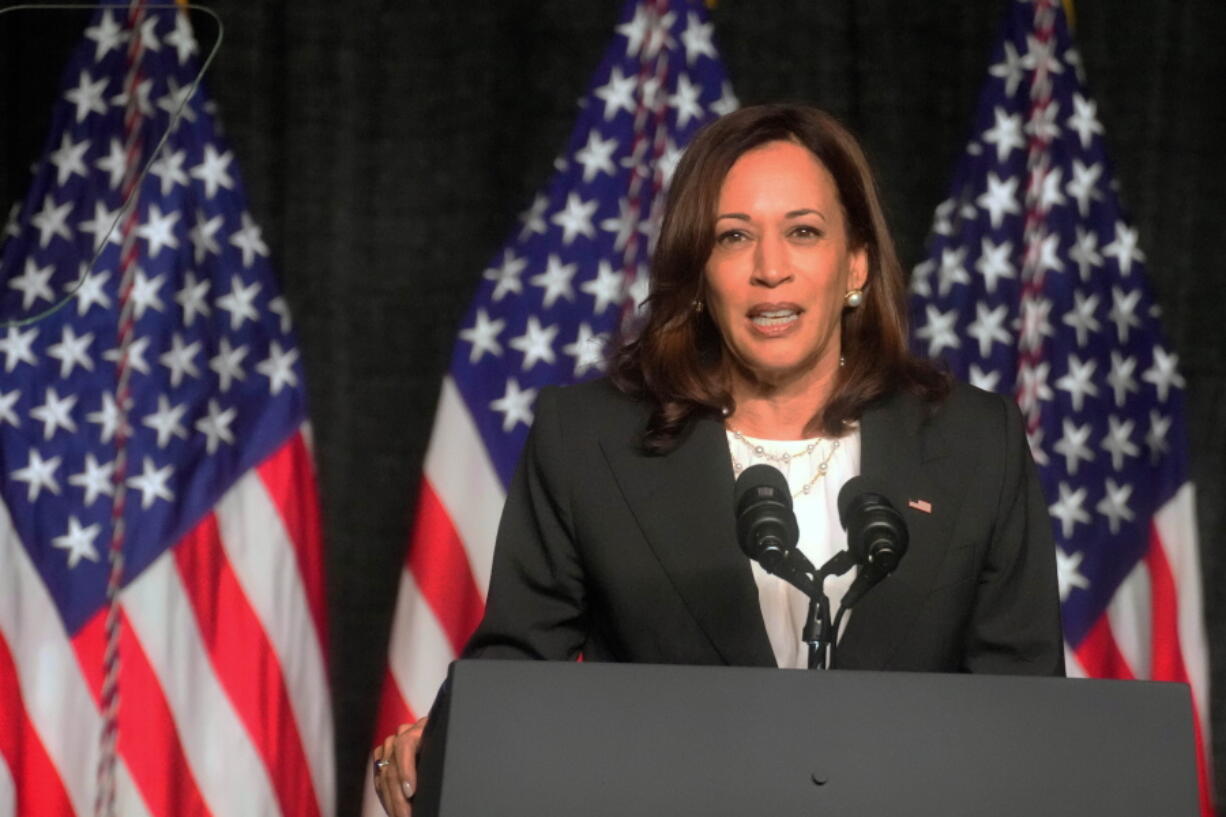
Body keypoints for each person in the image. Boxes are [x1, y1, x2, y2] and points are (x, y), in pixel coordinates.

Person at [371, 103, 1064, 816]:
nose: (771, 270)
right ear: (699, 274)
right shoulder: (589, 440)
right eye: (734, 237)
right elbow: (517, 669)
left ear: (855, 262)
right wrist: (455, 736)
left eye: (803, 232)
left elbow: (1025, 715)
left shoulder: (974, 443)